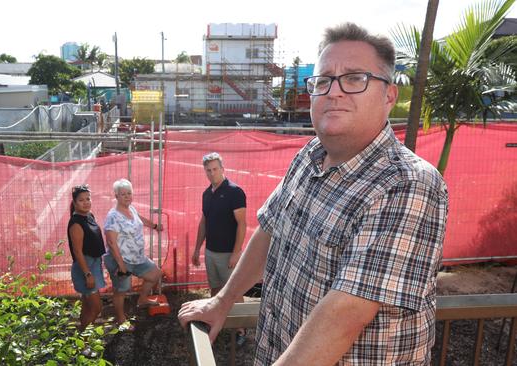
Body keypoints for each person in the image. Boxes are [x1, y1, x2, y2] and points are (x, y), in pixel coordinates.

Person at [179, 22, 449, 365]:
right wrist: (222, 301)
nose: (333, 92)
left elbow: (345, 313)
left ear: (389, 95)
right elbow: (269, 230)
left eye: (354, 78)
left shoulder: (408, 184)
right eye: (323, 81)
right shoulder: (309, 156)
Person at [192, 152, 247, 344]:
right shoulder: (206, 194)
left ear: (222, 169)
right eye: (208, 170)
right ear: (205, 172)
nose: (212, 173)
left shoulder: (235, 192)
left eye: (215, 169)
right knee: (215, 288)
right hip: (210, 252)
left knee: (233, 290)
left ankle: (241, 329)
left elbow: (242, 224)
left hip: (228, 254)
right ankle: (216, 320)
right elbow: (204, 222)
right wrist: (197, 248)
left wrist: (236, 252)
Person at [104, 178, 163, 326]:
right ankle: (121, 319)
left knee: (155, 274)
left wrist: (154, 226)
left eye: (129, 193)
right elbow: (111, 242)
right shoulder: (113, 216)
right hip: (122, 260)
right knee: (120, 291)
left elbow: (140, 219)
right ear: (116, 196)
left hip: (137, 257)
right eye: (123, 194)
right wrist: (121, 265)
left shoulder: (131, 208)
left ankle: (142, 299)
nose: (127, 196)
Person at [67, 184, 106, 330]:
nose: (86, 202)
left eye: (88, 199)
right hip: (85, 268)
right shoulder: (76, 223)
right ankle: (83, 337)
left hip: (94, 264)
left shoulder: (89, 216)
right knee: (96, 308)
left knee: (88, 307)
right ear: (75, 203)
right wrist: (88, 274)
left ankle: (82, 339)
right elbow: (77, 252)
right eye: (82, 200)